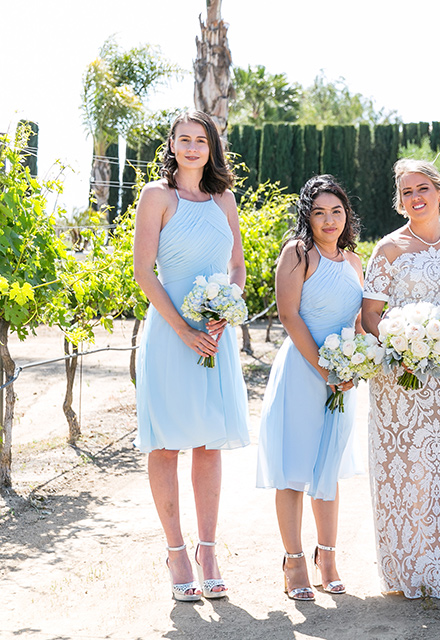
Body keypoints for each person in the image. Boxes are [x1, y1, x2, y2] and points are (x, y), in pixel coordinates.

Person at [133, 110, 249, 601]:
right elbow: (144, 272)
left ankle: (208, 550)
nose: (193, 147)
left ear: (212, 148)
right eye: (185, 139)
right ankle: (176, 551)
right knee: (165, 444)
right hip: (172, 337)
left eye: (202, 140)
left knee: (208, 442)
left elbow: (238, 266)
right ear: (173, 145)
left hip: (215, 339)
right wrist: (182, 329)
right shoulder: (157, 197)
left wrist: (228, 308)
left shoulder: (225, 199)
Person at [360, 159, 440, 599]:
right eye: (407, 192)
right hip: (398, 376)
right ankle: (402, 573)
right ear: (400, 200)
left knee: (437, 471)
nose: (416, 198)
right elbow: (370, 314)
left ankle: (437, 570)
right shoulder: (389, 249)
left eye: (423, 188)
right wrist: (401, 349)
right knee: (397, 471)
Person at [256, 175, 365, 601]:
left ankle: (329, 557)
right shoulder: (297, 253)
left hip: (344, 376)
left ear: (346, 215)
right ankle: (294, 560)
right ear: (308, 216)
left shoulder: (355, 261)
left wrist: (359, 360)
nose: (329, 220)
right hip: (305, 371)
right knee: (293, 470)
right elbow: (289, 316)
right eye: (319, 212)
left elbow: (358, 319)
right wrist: (325, 368)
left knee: (329, 468)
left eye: (336, 211)